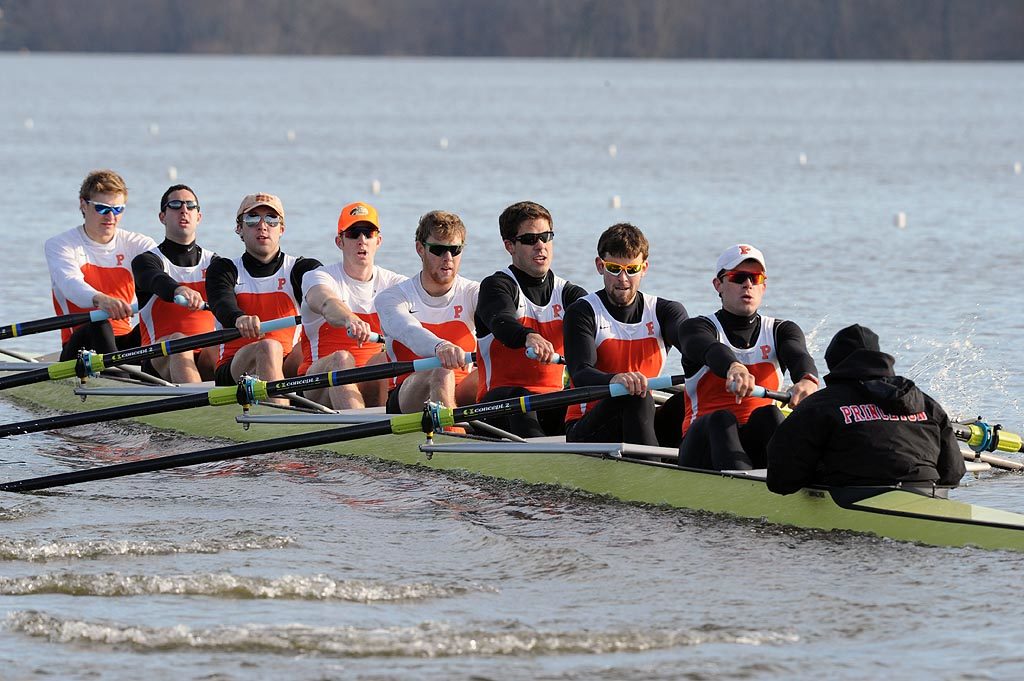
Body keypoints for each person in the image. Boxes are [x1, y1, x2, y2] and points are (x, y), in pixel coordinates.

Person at [766, 324, 966, 493]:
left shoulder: (820, 405)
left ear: (835, 366)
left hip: (855, 496)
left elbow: (782, 481)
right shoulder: (924, 401)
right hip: (925, 490)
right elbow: (953, 474)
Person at [674, 244, 819, 471]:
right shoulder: (696, 328)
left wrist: (807, 379)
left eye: (755, 277)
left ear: (764, 286)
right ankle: (747, 487)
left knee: (770, 414)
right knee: (722, 419)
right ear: (718, 285)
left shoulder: (782, 330)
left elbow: (798, 354)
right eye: (738, 277)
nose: (748, 284)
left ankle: (795, 476)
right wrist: (734, 367)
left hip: (753, 442)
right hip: (701, 446)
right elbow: (710, 349)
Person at [562, 223, 688, 446]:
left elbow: (693, 345)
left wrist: (724, 366)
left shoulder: (665, 311)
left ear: (644, 268)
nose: (623, 279)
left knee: (690, 398)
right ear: (600, 266)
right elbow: (580, 372)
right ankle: (652, 474)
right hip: (587, 426)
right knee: (634, 394)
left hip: (639, 418)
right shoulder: (582, 312)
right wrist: (616, 379)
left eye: (631, 270)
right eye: (614, 268)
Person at [474, 201, 588, 437]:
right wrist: (529, 336)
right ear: (509, 246)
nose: (540, 246)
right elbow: (502, 321)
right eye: (530, 239)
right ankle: (545, 464)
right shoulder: (496, 287)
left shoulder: (571, 294)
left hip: (553, 401)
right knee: (522, 397)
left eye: (546, 237)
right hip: (498, 407)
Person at [205, 193, 321, 403]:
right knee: (269, 346)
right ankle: (283, 419)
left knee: (325, 352)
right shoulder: (224, 269)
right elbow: (222, 303)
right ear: (239, 228)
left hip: (287, 364)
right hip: (235, 367)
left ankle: (346, 412)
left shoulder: (302, 268)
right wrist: (239, 318)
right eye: (252, 218)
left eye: (271, 218)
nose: (262, 225)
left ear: (281, 229)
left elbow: (324, 293)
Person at [297, 201, 407, 409]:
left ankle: (380, 423)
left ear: (379, 240)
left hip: (369, 382)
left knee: (383, 360)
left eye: (368, 233)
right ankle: (360, 430)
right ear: (340, 241)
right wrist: (350, 319)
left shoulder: (396, 284)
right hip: (316, 385)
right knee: (342, 359)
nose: (362, 240)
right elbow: (326, 302)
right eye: (353, 233)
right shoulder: (318, 277)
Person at [45, 169, 157, 360]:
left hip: (123, 342)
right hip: (80, 346)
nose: (111, 217)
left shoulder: (138, 244)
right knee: (101, 322)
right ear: (83, 204)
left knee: (163, 326)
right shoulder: (61, 245)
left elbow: (164, 273)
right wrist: (101, 300)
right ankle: (121, 380)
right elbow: (71, 284)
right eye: (102, 208)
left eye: (118, 210)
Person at [376, 210, 479, 414]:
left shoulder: (474, 292)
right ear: (420, 249)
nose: (448, 258)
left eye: (455, 250)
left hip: (461, 389)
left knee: (504, 380)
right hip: (409, 395)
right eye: (439, 250)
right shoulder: (392, 298)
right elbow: (408, 330)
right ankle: (454, 438)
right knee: (441, 371)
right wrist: (440, 346)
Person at [131, 184, 217, 383]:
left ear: (199, 217)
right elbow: (155, 279)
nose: (184, 210)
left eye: (190, 206)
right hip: (158, 358)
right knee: (179, 340)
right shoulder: (147, 261)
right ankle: (197, 409)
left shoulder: (216, 264)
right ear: (162, 217)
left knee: (218, 345)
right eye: (176, 205)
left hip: (204, 355)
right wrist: (178, 289)